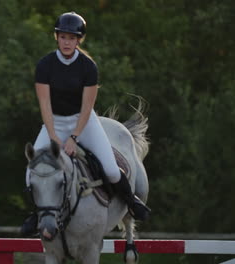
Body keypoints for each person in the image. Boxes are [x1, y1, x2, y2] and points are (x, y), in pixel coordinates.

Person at [25, 11, 150, 230]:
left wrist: (74, 137)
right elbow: (44, 103)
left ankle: (132, 202)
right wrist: (54, 137)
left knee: (111, 169)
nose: (66, 42)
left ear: (78, 40)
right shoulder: (45, 65)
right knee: (31, 171)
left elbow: (87, 107)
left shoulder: (88, 66)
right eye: (63, 37)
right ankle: (36, 215)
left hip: (84, 121)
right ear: (57, 37)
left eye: (72, 38)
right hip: (54, 121)